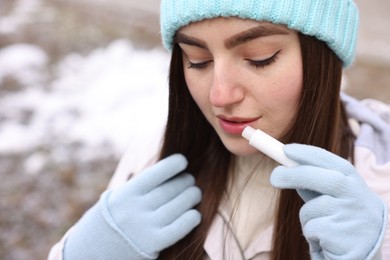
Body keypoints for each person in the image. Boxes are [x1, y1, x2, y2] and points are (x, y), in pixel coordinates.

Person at [49, 0, 390, 259]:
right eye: (197, 60)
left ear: (322, 57)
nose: (219, 96)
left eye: (260, 58)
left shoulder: (380, 174)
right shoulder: (157, 154)